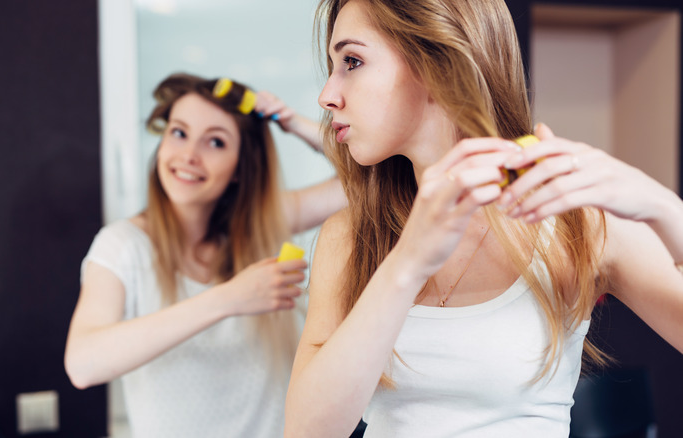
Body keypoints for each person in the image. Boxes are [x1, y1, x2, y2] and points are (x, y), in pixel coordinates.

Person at [284, 1, 683, 437]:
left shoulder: (576, 224)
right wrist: (408, 262)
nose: (327, 95)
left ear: (436, 63)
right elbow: (308, 431)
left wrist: (665, 209)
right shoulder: (349, 237)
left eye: (352, 62)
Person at [64, 73, 346, 438]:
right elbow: (82, 365)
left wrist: (292, 123)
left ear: (239, 168)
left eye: (215, 142)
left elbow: (368, 177)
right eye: (179, 133)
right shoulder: (121, 246)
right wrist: (228, 298)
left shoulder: (264, 223)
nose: (189, 156)